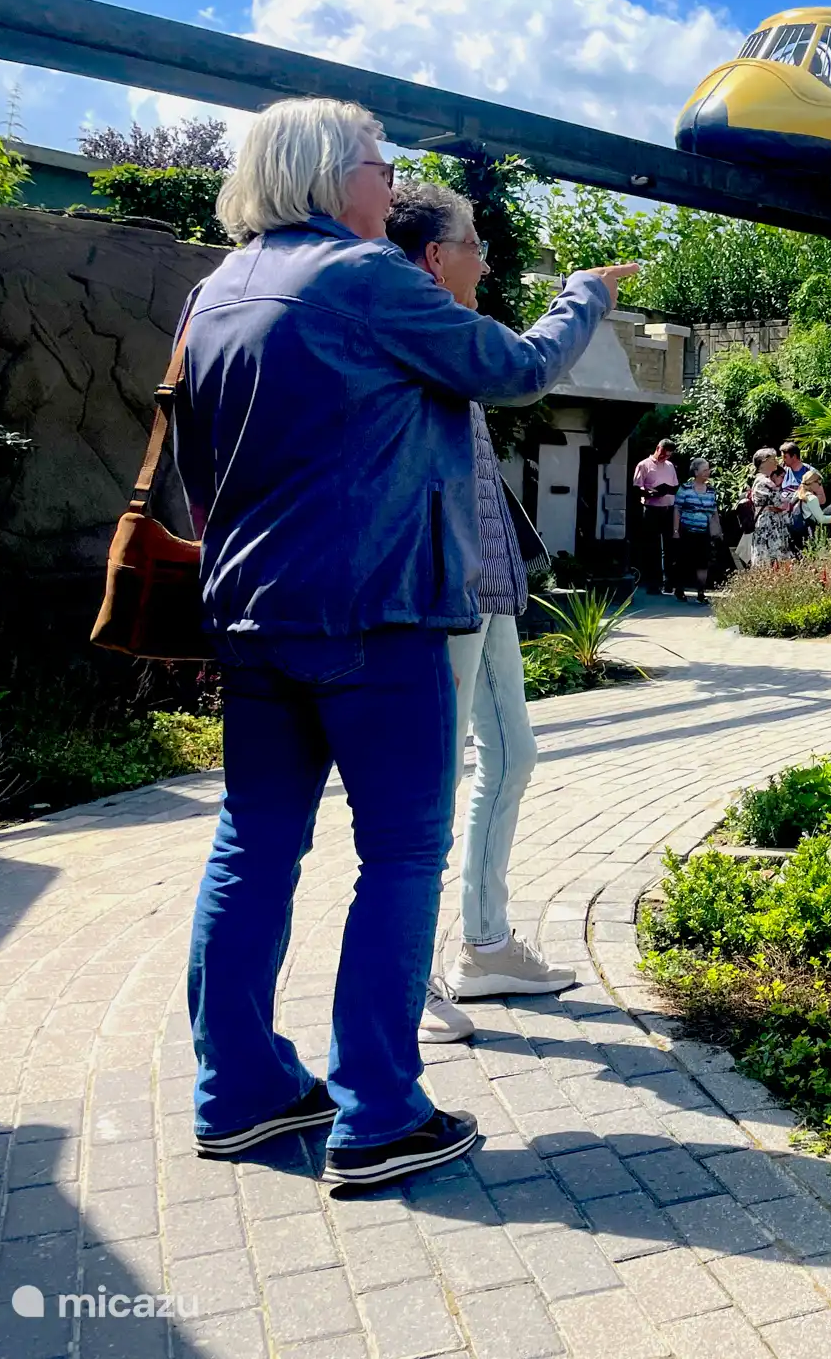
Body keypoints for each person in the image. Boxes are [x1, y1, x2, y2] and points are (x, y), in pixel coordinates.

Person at [173, 97, 633, 1188]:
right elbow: (515, 370)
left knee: (253, 846)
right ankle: (378, 1112)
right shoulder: (364, 276)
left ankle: (237, 1093)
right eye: (380, 165)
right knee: (401, 856)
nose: (390, 184)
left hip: (249, 612)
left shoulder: (217, 289)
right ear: (337, 176)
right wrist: (579, 299)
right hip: (375, 616)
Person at [385, 184, 620, 1040]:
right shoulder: (411, 329)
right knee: (433, 784)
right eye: (473, 244)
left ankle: (483, 947)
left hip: (486, 589)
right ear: (434, 256)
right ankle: (409, 978)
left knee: (513, 754)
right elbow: (527, 368)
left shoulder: (447, 335)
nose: (486, 260)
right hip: (444, 593)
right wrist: (585, 294)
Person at [671, 458, 721, 604]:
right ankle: (679, 589)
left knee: (703, 562)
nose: (708, 472)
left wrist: (717, 529)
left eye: (708, 469)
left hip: (703, 531)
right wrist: (675, 530)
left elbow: (714, 511)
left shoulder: (711, 490)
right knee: (684, 560)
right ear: (696, 472)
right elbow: (677, 509)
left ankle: (701, 591)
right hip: (687, 530)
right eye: (705, 469)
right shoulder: (685, 488)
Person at [632, 439, 680, 592]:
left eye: (668, 456)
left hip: (668, 508)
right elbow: (636, 488)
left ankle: (668, 582)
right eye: (662, 455)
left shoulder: (670, 466)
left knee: (670, 546)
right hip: (651, 508)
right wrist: (649, 492)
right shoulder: (644, 465)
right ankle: (653, 583)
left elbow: (675, 487)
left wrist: (668, 490)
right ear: (658, 448)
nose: (664, 458)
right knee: (651, 547)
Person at [748, 448, 795, 566]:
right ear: (764, 462)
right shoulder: (763, 482)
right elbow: (781, 503)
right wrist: (781, 505)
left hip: (772, 521)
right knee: (771, 557)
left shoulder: (765, 480)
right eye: (773, 459)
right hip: (768, 524)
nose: (776, 461)